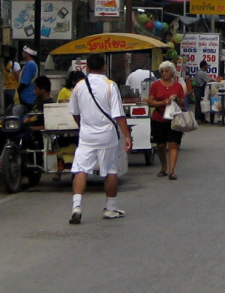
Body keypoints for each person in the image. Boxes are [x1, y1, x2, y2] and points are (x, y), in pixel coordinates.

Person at [67, 53, 132, 224]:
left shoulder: (79, 86)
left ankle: (77, 206)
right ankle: (110, 208)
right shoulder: (110, 86)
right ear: (104, 67)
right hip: (107, 135)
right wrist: (127, 136)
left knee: (81, 168)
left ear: (87, 68)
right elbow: (119, 115)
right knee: (110, 170)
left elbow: (75, 113)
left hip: (86, 135)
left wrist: (84, 126)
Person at [148, 60, 186, 179]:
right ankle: (164, 166)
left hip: (174, 119)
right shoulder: (155, 85)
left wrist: (177, 99)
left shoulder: (178, 86)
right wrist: (163, 102)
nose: (164, 74)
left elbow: (183, 103)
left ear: (171, 73)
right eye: (162, 71)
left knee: (173, 144)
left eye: (166, 71)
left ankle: (171, 170)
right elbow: (150, 102)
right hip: (159, 118)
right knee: (160, 145)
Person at [14, 45, 40, 118]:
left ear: (27, 54)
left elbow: (24, 82)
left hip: (27, 97)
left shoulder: (30, 64)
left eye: (24, 52)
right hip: (28, 96)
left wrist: (18, 92)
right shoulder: (31, 64)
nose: (22, 53)